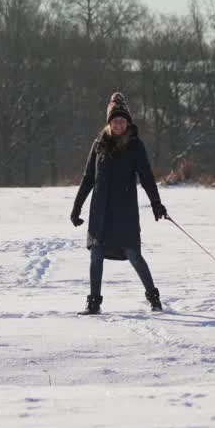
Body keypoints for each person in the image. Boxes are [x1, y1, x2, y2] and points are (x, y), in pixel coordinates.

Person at [71, 92, 169, 315]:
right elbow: (88, 178)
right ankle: (93, 303)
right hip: (100, 210)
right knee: (95, 254)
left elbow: (146, 177)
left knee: (133, 254)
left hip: (125, 211)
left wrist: (156, 203)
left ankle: (154, 298)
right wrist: (77, 207)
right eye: (115, 120)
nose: (118, 124)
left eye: (122, 120)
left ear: (128, 122)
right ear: (109, 122)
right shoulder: (99, 145)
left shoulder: (135, 146)